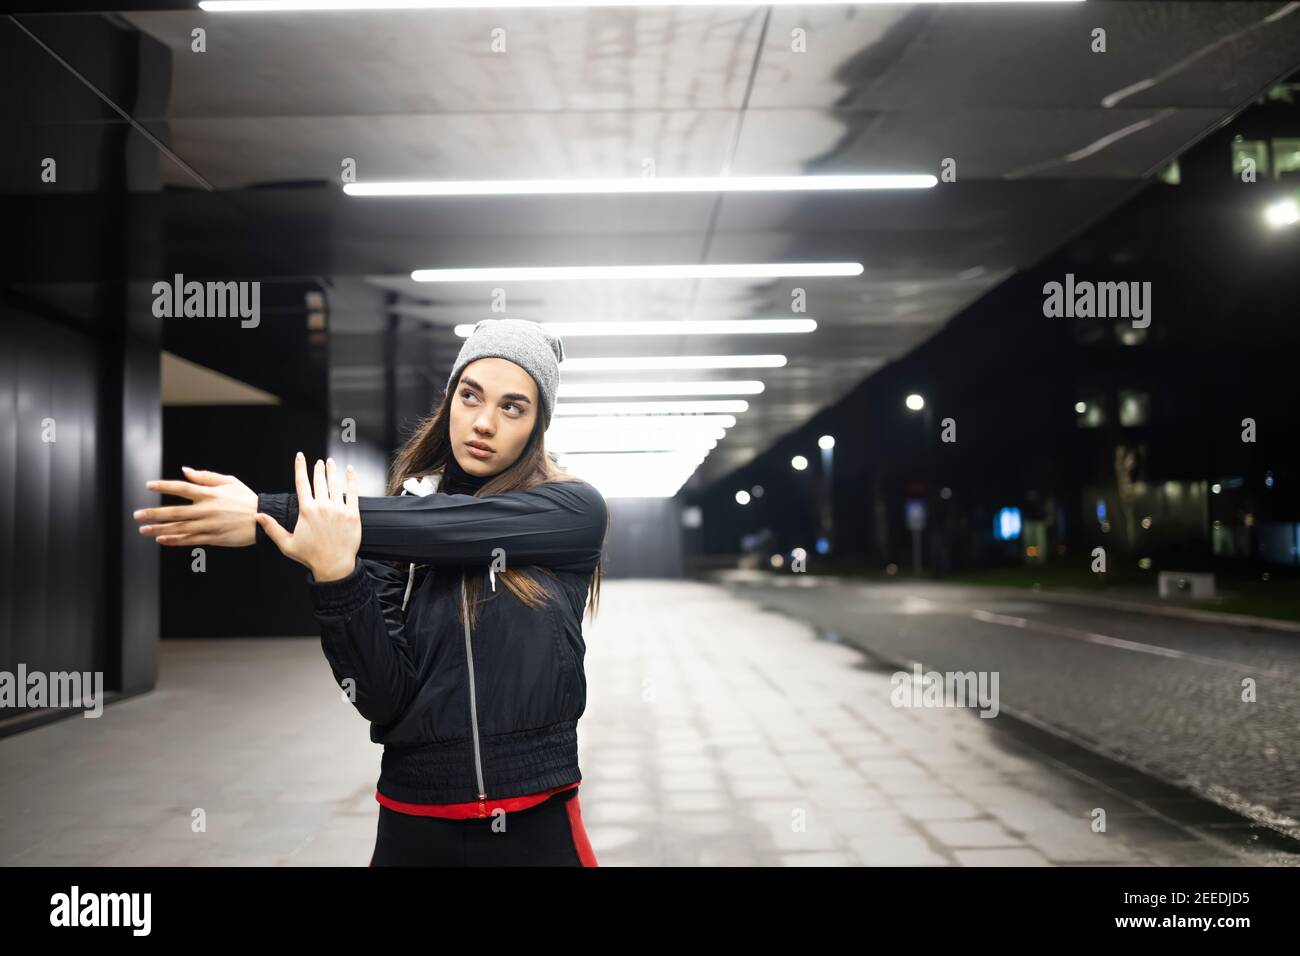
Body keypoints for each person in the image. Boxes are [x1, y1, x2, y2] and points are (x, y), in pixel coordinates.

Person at [133, 318, 608, 866]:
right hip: (415, 823)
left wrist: (267, 512)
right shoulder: (392, 527)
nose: (483, 422)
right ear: (450, 397)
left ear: (536, 425)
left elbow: (449, 528)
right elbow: (381, 697)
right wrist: (337, 575)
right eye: (470, 395)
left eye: (512, 407)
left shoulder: (571, 512)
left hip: (537, 822)